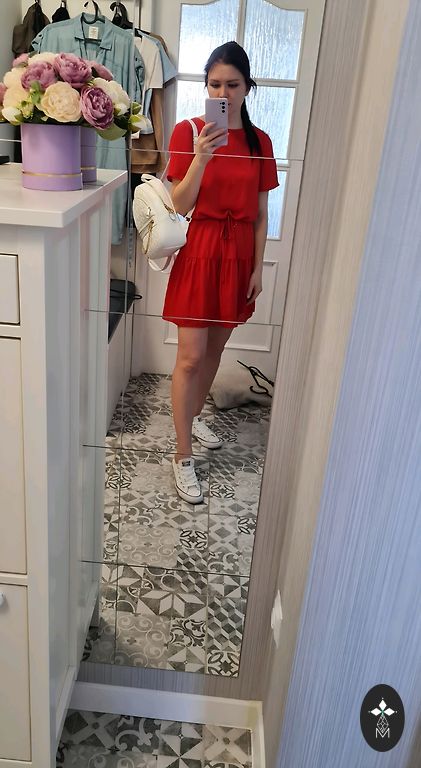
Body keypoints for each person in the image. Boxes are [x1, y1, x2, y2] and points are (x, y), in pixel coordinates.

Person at [163, 41, 279, 504]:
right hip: (201, 248)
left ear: (248, 87)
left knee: (214, 350)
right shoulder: (188, 131)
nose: (223, 93)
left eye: (232, 84)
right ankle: (182, 454)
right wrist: (201, 158)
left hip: (238, 255)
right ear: (206, 86)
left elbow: (262, 214)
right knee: (190, 357)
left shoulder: (260, 142)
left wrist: (257, 268)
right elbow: (178, 204)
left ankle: (194, 418)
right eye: (214, 84)